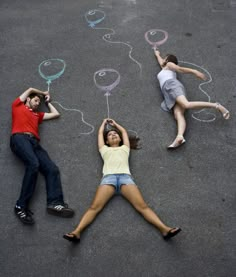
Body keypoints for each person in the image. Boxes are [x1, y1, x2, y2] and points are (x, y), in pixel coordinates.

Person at [63, 119, 181, 243]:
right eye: (109, 135)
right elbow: (99, 135)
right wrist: (103, 124)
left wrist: (115, 125)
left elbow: (124, 132)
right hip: (109, 178)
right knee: (94, 207)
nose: (113, 135)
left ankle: (165, 229)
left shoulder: (125, 148)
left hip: (126, 178)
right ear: (107, 142)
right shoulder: (104, 150)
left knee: (143, 207)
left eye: (115, 134)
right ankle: (76, 232)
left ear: (120, 139)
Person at [10, 88, 74, 225]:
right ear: (28, 99)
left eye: (39, 102)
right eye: (36, 100)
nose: (37, 103)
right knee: (33, 165)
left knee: (52, 169)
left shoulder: (37, 115)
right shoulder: (17, 106)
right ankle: (20, 206)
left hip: (34, 143)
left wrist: (47, 101)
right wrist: (43, 93)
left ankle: (54, 203)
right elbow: (30, 89)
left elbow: (56, 114)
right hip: (19, 138)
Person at [154, 50, 230, 149]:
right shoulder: (164, 68)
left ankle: (217, 106)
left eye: (165, 57)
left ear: (168, 59)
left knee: (186, 104)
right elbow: (160, 61)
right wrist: (157, 54)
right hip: (168, 92)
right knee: (178, 114)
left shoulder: (169, 64)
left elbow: (179, 69)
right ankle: (179, 137)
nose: (164, 58)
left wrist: (194, 71)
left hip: (172, 86)